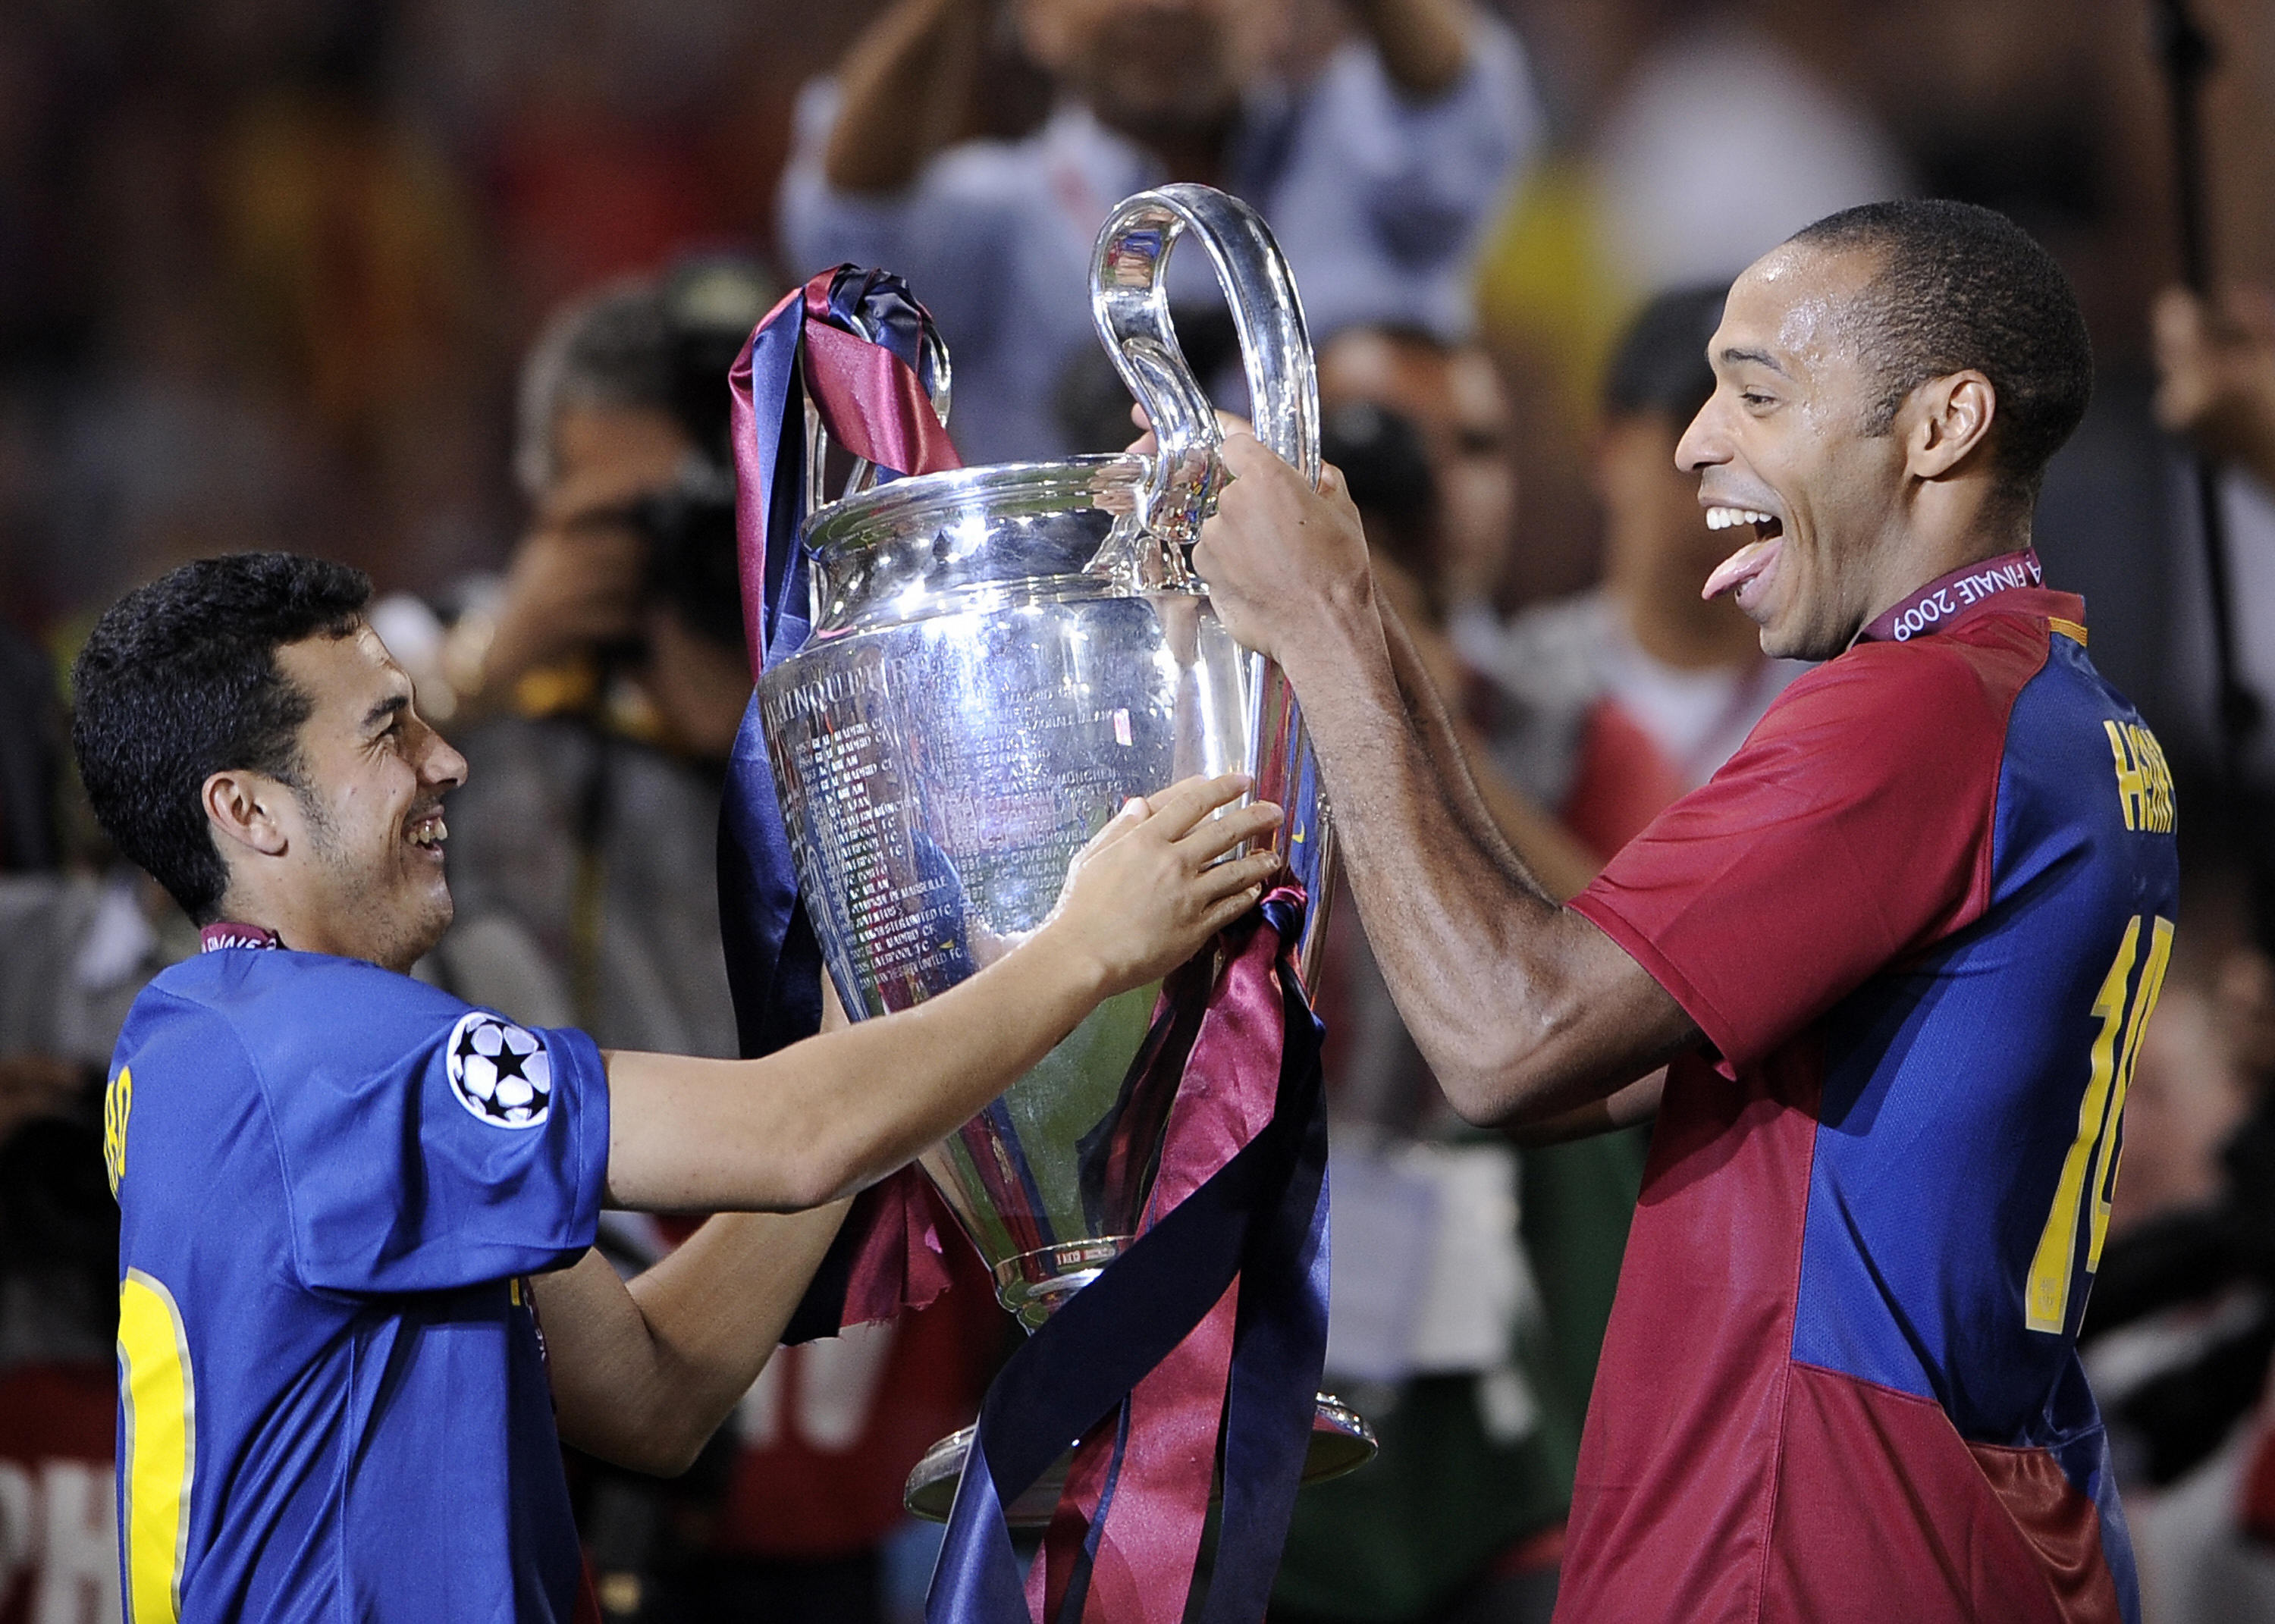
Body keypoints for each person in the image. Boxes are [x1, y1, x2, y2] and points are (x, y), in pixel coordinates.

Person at [1194, 198, 2174, 1619]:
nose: (1694, 440)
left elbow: (1505, 1039)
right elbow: (1567, 1065)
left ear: (1942, 424)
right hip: (1966, 1515)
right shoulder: (2061, 707)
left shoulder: (1912, 713)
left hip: (1814, 1543)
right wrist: (1375, 635)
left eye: (1758, 391)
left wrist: (1326, 633)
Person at [69, 551, 1280, 1621]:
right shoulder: (324, 1054)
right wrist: (1089, 946)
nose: (448, 759)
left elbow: (653, 1387)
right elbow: (794, 1135)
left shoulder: (221, 1049)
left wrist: (901, 1024)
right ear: (247, 811)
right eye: (389, 731)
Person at [779, 0, 1535, 463]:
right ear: (1032, 19)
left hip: (1370, 636)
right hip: (1091, 672)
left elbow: (1467, 114)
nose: (1167, 5)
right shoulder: (998, 220)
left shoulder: (1361, 164)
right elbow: (846, 224)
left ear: (1279, 11)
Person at [1461, 287, 1805, 861]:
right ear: (1607, 451)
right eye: (1691, 428)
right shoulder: (1512, 683)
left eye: (1760, 427)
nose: (1728, 470)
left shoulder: (1835, 694)